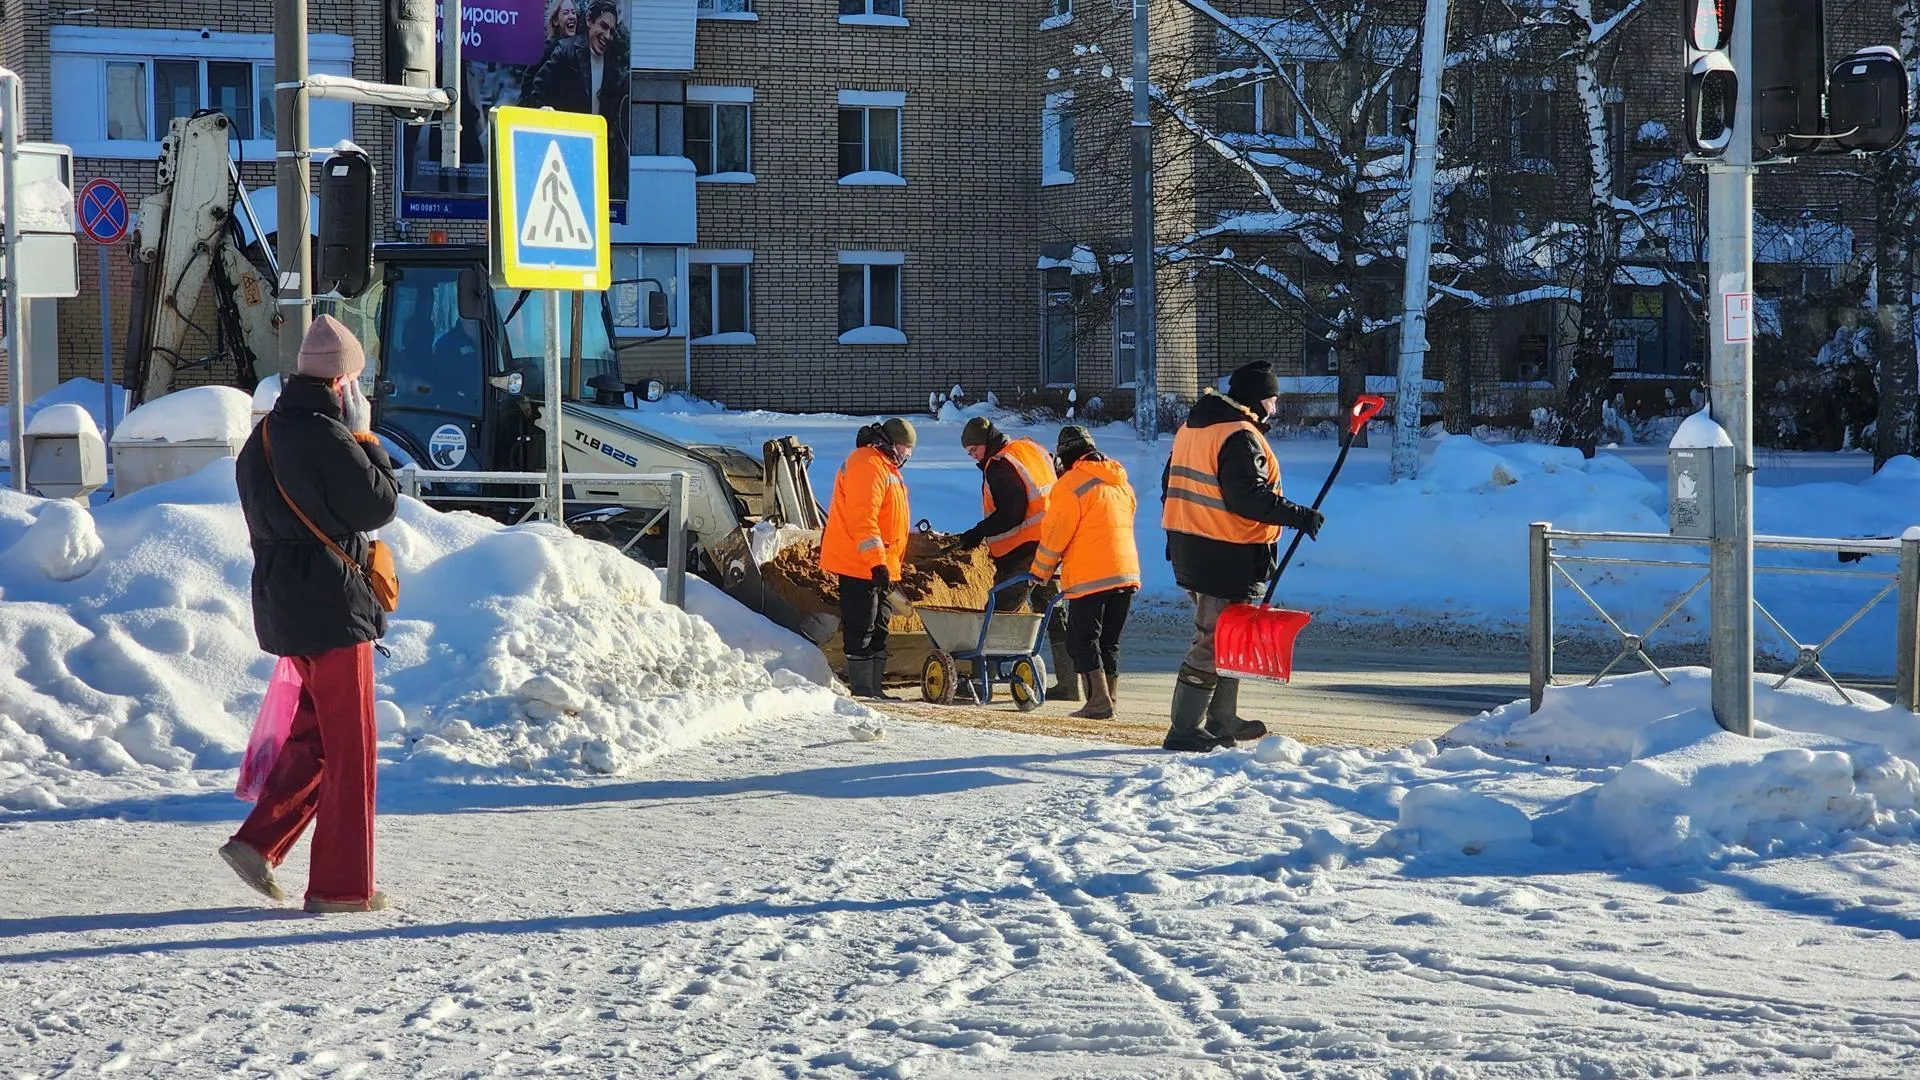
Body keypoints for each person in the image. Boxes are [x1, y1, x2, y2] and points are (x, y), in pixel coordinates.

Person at [220, 316, 401, 912]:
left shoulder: (266, 433)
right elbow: (378, 505)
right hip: (331, 604)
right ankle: (342, 887)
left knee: (315, 735)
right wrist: (366, 437)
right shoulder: (328, 434)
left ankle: (258, 844)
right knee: (352, 747)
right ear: (345, 380)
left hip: (284, 600)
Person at [1160, 361, 1325, 752]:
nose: (1273, 408)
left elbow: (1171, 485)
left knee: (1226, 638)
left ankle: (1222, 719)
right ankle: (1184, 729)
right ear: (1255, 399)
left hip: (1194, 546)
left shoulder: (1194, 428)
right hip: (1222, 554)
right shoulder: (1239, 436)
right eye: (1271, 399)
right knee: (1214, 640)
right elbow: (1245, 498)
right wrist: (1296, 515)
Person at [947, 417, 1078, 701]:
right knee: (1053, 614)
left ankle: (983, 683)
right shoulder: (1029, 447)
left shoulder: (1000, 465)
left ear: (985, 444)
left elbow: (1013, 512)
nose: (974, 458)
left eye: (973, 451)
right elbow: (1058, 475)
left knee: (998, 612)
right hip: (1051, 545)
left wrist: (978, 532)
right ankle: (1069, 684)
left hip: (1023, 552)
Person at [1029, 425, 1140, 720]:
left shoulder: (1070, 485)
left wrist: (1040, 571)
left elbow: (1055, 534)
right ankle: (1109, 699)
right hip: (1126, 572)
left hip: (1091, 575)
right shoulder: (1120, 483)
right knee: (1109, 641)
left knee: (1081, 639)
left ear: (1066, 458)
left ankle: (1097, 702)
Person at [820, 417, 916, 699]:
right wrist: (876, 563)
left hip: (878, 565)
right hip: (859, 563)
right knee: (862, 623)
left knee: (879, 625)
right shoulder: (867, 464)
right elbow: (864, 520)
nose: (906, 455)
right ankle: (863, 689)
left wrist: (886, 565)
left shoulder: (885, 467)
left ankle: (875, 688)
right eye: (904, 448)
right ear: (890, 444)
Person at [524, 0, 631, 199]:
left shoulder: (613, 60)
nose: (607, 36)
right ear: (589, 21)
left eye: (611, 31)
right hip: (566, 147)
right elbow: (538, 89)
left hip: (597, 150)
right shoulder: (567, 51)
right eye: (603, 26)